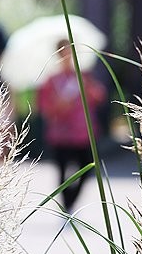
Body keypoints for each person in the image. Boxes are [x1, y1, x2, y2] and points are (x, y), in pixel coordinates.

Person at [36, 40, 107, 213]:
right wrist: (59, 106)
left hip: (83, 132)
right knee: (62, 170)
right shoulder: (51, 81)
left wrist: (89, 88)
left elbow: (98, 97)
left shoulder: (83, 77)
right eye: (64, 52)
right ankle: (66, 204)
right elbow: (44, 108)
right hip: (61, 134)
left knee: (87, 168)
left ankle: (70, 201)